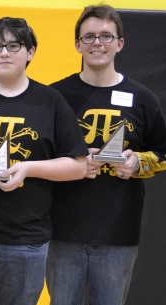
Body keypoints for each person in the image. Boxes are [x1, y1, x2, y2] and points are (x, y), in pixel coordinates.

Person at [0, 17, 89, 305]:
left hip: (26, 243)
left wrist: (29, 168)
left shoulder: (51, 101)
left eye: (13, 45)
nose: (4, 53)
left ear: (30, 51)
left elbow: (79, 165)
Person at [46, 5, 166, 305]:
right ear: (77, 44)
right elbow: (37, 156)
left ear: (120, 43)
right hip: (60, 233)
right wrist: (71, 164)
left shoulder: (143, 99)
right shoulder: (53, 97)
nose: (97, 43)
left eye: (105, 36)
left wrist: (138, 163)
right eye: (88, 37)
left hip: (118, 233)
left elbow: (163, 151)